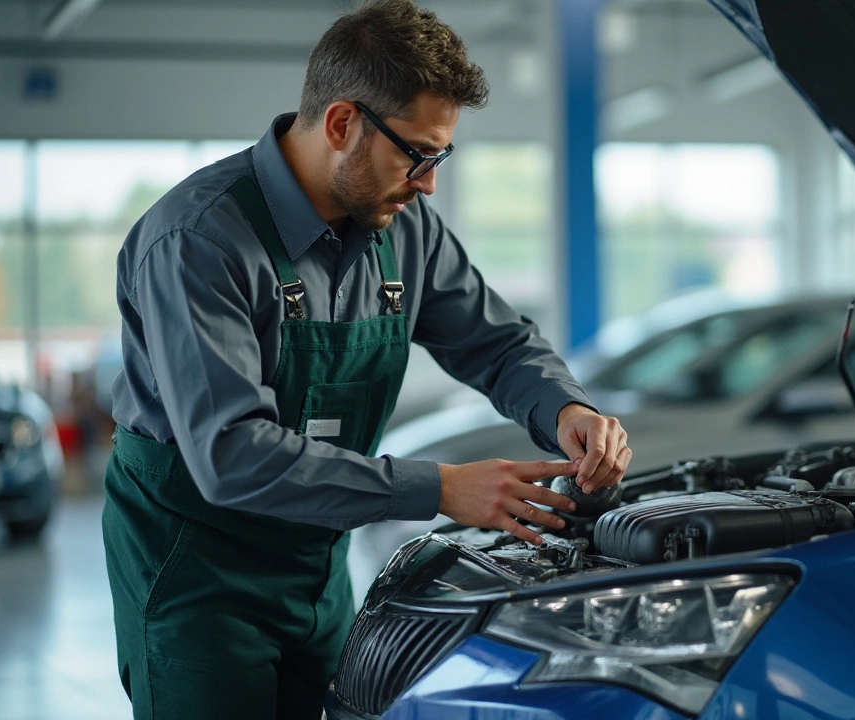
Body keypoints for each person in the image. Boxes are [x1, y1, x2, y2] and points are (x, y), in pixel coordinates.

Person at [101, 1, 630, 718]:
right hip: (197, 573)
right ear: (343, 123)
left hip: (318, 569)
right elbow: (230, 453)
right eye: (416, 154)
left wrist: (568, 407)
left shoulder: (405, 230)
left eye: (441, 157)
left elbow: (496, 342)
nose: (429, 182)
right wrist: (438, 488)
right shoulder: (200, 240)